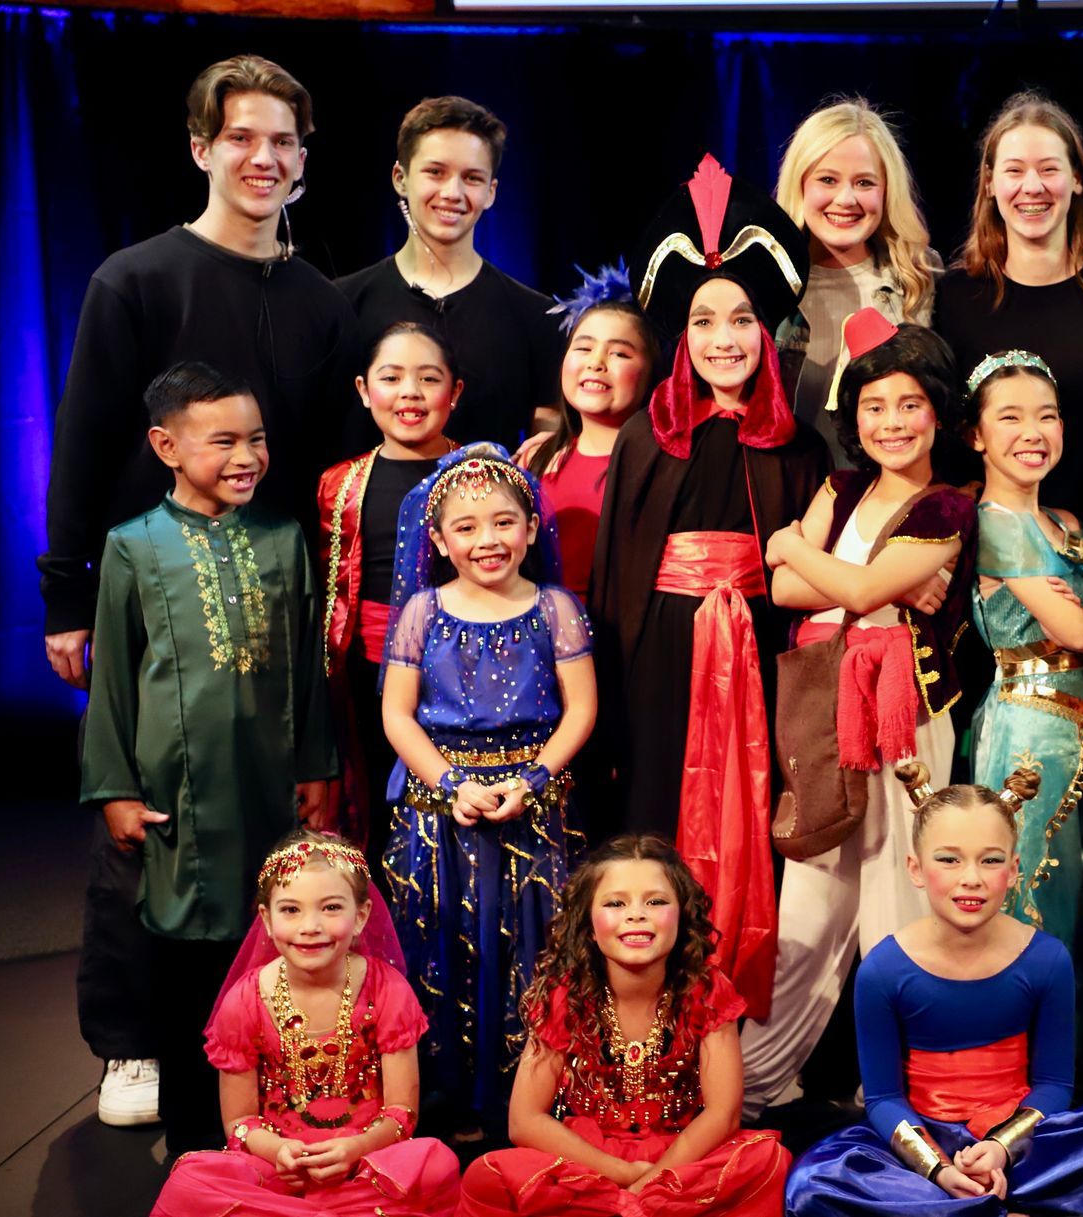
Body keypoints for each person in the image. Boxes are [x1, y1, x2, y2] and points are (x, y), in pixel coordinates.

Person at [43, 55, 352, 1126]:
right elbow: (81, 441)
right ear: (201, 147)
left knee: (271, 811)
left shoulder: (319, 295)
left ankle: (263, 1024)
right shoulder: (136, 279)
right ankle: (133, 1040)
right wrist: (66, 593)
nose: (263, 158)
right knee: (144, 812)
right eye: (243, 138)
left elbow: (326, 443)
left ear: (304, 162)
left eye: (284, 142)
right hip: (152, 588)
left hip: (276, 585)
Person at [588, 155, 829, 1013]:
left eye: (741, 318)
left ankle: (746, 1015)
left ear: (768, 330)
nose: (723, 337)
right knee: (656, 805)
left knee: (760, 817)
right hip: (662, 653)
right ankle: (651, 1003)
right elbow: (615, 580)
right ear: (679, 337)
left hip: (761, 650)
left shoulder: (800, 448)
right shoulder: (645, 442)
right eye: (702, 321)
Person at [81, 361, 337, 1153]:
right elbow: (115, 679)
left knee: (279, 946)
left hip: (271, 788)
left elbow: (306, 667)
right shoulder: (133, 546)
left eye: (256, 439)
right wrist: (115, 787)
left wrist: (318, 766)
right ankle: (197, 1130)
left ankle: (284, 1118)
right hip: (176, 798)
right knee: (187, 957)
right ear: (166, 445)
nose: (246, 456)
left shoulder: (284, 538)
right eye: (223, 440)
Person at [742, 314, 976, 1117]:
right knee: (808, 893)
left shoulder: (949, 506)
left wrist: (791, 544)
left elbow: (852, 592)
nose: (892, 422)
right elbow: (784, 592)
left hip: (908, 716)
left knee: (896, 898)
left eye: (910, 404)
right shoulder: (840, 489)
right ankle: (757, 1081)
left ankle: (901, 1089)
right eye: (875, 406)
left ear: (938, 413)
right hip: (824, 710)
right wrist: (851, 574)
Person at [785, 762, 1083, 1217]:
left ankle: (967, 1204)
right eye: (949, 859)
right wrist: (937, 1169)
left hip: (1019, 1140)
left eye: (991, 859)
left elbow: (1054, 1084)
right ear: (916, 868)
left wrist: (1001, 1146)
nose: (971, 878)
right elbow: (883, 1099)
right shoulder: (883, 969)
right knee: (814, 1182)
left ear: (1014, 869)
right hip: (921, 1140)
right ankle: (971, 1200)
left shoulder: (1045, 959)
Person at [379, 444, 596, 1136]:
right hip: (442, 804)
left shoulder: (555, 607)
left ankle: (526, 1093)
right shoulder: (421, 610)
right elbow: (396, 712)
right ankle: (447, 1094)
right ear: (438, 540)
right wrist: (450, 783)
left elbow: (582, 709)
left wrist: (533, 779)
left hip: (530, 803)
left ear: (531, 528)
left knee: (530, 939)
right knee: (444, 935)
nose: (487, 540)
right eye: (466, 528)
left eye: (504, 522)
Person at [457, 836, 790, 1217]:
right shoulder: (563, 994)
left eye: (656, 901)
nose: (636, 914)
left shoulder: (707, 990)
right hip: (588, 1160)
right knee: (487, 1176)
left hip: (682, 1156)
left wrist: (654, 1181)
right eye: (616, 903)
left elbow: (723, 1114)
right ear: (587, 923)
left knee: (767, 1160)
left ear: (682, 916)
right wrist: (624, 1175)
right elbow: (524, 1120)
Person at [149, 832, 460, 1217]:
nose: (310, 925)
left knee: (433, 1163)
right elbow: (240, 1122)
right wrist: (279, 1152)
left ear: (361, 915)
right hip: (279, 1170)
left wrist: (356, 1149)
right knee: (191, 1183)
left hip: (367, 1164)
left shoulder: (388, 991)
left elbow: (402, 1111)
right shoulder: (244, 1001)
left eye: (330, 908)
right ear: (265, 919)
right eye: (291, 910)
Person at [934, 90, 1083, 525]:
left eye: (1048, 170)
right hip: (988, 542)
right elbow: (943, 435)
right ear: (989, 183)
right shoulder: (955, 294)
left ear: (1077, 179)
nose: (1032, 187)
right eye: (1015, 171)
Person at [965, 350, 1083, 946]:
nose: (1033, 432)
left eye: (1047, 416)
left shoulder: (1065, 520)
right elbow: (1080, 634)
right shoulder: (994, 523)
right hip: (1027, 726)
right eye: (1009, 418)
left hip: (1080, 718)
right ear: (977, 436)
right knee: (1036, 886)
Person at [336, 96, 563, 448]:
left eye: (472, 178)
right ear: (400, 177)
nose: (452, 192)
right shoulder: (342, 305)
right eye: (435, 172)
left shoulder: (538, 319)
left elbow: (547, 451)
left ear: (491, 192)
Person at [317, 322, 460, 862]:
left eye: (428, 378)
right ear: (363, 390)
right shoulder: (341, 483)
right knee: (378, 809)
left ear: (455, 392)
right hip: (366, 674)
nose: (410, 393)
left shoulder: (481, 473)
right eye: (391, 377)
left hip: (459, 672)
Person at [773, 97, 942, 465]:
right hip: (785, 503)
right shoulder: (765, 285)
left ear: (887, 191)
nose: (845, 199)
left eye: (864, 182)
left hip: (885, 503)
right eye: (828, 180)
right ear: (800, 184)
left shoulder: (920, 277)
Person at [527, 264, 665, 604]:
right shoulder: (536, 459)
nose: (596, 362)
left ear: (651, 373)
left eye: (619, 353)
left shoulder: (660, 467)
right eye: (583, 348)